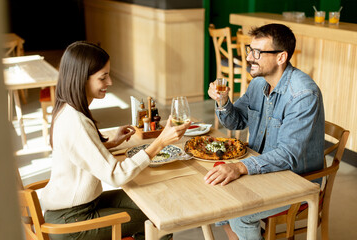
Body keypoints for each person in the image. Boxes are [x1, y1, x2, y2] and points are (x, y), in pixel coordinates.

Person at [40, 41, 190, 240]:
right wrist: (160, 142)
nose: (110, 82)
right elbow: (116, 176)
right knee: (160, 217)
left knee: (155, 202)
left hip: (75, 209)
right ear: (82, 78)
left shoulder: (66, 110)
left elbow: (79, 152)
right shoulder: (75, 121)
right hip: (72, 221)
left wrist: (110, 144)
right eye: (103, 77)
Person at [204, 24, 325, 240]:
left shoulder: (303, 94)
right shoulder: (258, 84)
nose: (249, 57)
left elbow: (288, 155)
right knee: (215, 193)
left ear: (281, 58)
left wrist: (240, 167)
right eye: (250, 50)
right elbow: (237, 121)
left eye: (257, 53)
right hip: (263, 169)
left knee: (240, 214)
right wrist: (223, 102)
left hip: (297, 181)